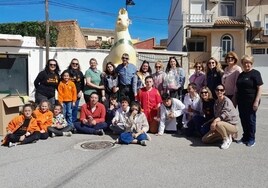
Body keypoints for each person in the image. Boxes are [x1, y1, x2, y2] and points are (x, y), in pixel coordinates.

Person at [236, 55, 263, 147]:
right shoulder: (241, 75)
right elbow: (238, 89)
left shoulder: (255, 73)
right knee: (243, 119)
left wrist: (256, 101)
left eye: (248, 62)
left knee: (250, 120)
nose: (247, 64)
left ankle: (252, 138)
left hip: (251, 101)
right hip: (241, 101)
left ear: (251, 63)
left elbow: (259, 88)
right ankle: (245, 137)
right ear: (242, 64)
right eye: (245, 63)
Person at [202, 84, 239, 150]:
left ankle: (226, 140)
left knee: (218, 123)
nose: (219, 91)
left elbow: (224, 114)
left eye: (221, 90)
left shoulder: (227, 101)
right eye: (217, 90)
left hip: (231, 125)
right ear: (215, 91)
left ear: (224, 91)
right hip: (221, 125)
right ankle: (226, 135)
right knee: (205, 139)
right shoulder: (216, 102)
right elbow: (216, 115)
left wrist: (215, 121)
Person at [67, 58, 85, 123]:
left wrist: (81, 91)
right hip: (68, 94)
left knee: (75, 109)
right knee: (68, 109)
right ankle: (67, 123)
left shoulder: (80, 73)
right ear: (71, 64)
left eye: (76, 64)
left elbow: (83, 84)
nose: (75, 65)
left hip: (77, 94)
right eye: (73, 63)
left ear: (78, 65)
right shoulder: (66, 72)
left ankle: (73, 123)